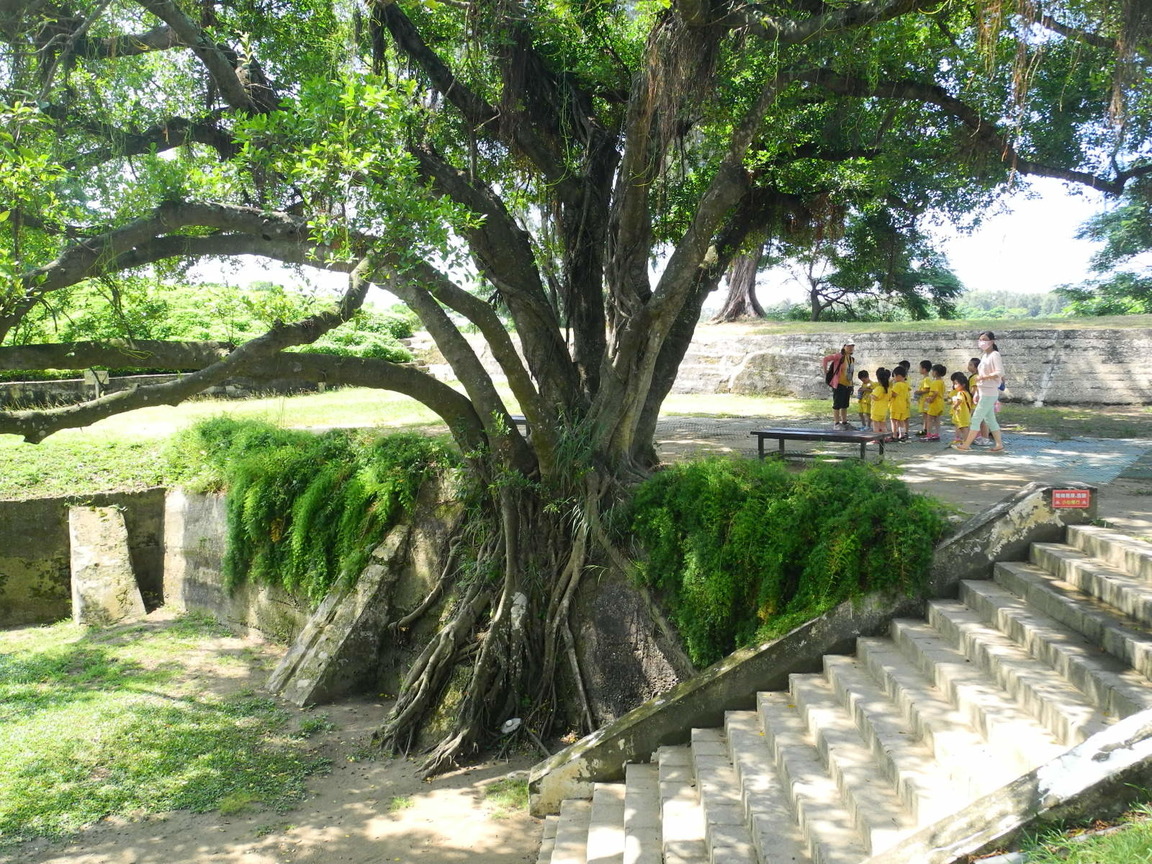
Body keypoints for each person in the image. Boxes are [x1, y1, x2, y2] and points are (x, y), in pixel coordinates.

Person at [953, 332, 1006, 452]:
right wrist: (977, 391)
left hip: (990, 392)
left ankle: (966, 444)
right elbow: (980, 376)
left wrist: (983, 378)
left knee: (976, 418)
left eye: (985, 339)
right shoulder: (985, 356)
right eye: (980, 339)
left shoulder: (994, 355)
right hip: (983, 391)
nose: (982, 342)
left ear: (992, 341)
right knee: (990, 420)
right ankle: (999, 444)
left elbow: (999, 372)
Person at [821, 340, 857, 429]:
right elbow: (826, 359)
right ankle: (836, 423)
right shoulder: (839, 356)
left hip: (847, 384)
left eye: (852, 346)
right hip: (839, 384)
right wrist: (825, 371)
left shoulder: (852, 359)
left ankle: (844, 422)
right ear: (844, 347)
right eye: (848, 346)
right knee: (837, 404)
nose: (850, 348)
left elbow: (850, 372)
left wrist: (851, 384)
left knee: (845, 404)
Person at [922, 363, 947, 441]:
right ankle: (936, 434)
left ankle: (929, 434)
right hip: (940, 403)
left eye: (932, 371)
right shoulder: (941, 382)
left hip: (934, 403)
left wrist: (931, 399)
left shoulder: (935, 382)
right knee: (937, 419)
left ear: (935, 372)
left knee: (929, 419)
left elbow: (935, 392)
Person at [948, 372, 974, 443]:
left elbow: (959, 401)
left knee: (963, 428)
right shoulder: (967, 393)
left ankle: (966, 443)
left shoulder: (960, 393)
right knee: (965, 428)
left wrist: (954, 406)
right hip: (966, 413)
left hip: (962, 414)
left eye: (956, 384)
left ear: (963, 385)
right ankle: (966, 441)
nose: (954, 386)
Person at [889, 366, 911, 442]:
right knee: (901, 421)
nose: (894, 378)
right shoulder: (905, 384)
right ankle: (902, 434)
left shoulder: (897, 385)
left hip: (896, 406)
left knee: (893, 421)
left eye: (894, 376)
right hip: (903, 406)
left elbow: (894, 394)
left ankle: (894, 435)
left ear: (898, 376)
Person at [869, 367, 891, 438]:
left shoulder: (878, 389)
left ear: (879, 380)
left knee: (875, 425)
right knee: (883, 425)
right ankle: (886, 437)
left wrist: (871, 395)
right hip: (883, 411)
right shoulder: (889, 389)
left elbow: (875, 397)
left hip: (876, 410)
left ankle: (876, 438)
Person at [914, 360, 933, 437]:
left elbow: (927, 389)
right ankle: (924, 429)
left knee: (926, 416)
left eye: (920, 368)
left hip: (926, 400)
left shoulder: (927, 379)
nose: (919, 369)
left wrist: (919, 392)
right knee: (924, 416)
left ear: (924, 369)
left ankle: (927, 430)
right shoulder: (925, 379)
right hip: (923, 400)